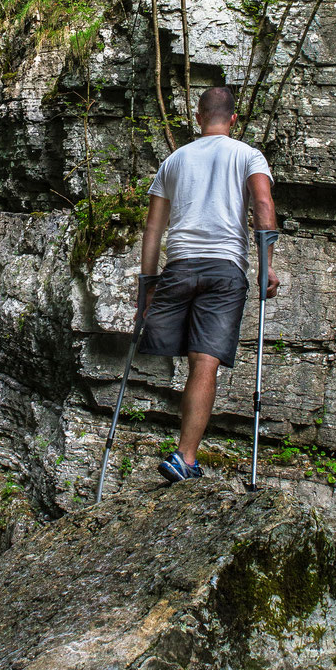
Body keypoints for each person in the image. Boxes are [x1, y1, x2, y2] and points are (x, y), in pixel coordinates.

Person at [138, 84, 279, 483]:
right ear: (233, 120)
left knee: (177, 355)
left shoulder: (174, 160)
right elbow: (263, 205)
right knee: (205, 363)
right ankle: (185, 456)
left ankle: (179, 451)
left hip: (180, 267)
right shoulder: (248, 155)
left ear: (198, 117)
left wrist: (147, 286)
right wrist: (265, 264)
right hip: (225, 270)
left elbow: (153, 230)